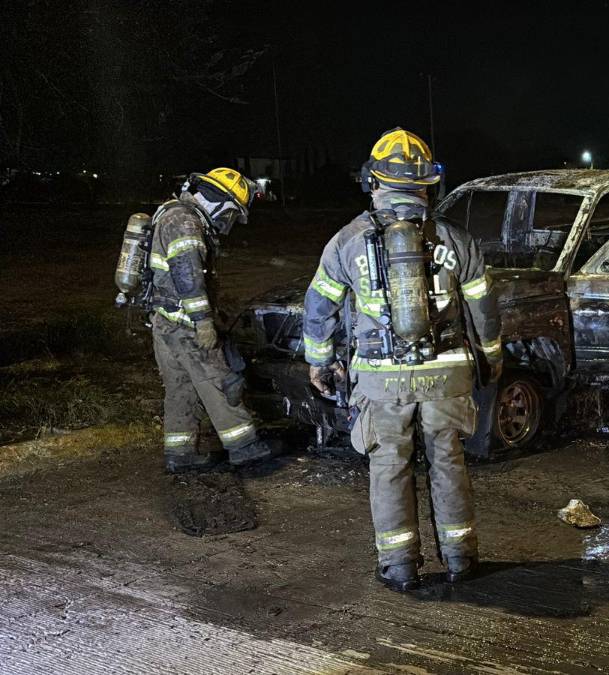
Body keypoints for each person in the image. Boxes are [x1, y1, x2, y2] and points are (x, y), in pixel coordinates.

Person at [303, 128, 502, 592]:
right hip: (446, 374)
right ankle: (461, 560)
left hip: (380, 378)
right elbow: (485, 308)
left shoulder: (347, 241)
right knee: (448, 461)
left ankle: (400, 568)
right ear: (428, 184)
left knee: (390, 465)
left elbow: (319, 307)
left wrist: (319, 362)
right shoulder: (457, 240)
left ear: (373, 181)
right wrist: (490, 358)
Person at [148, 168, 275, 473]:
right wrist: (204, 321)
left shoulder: (172, 214)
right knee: (219, 381)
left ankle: (180, 453)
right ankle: (244, 447)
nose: (229, 222)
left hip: (164, 320)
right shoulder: (185, 222)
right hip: (186, 324)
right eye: (231, 213)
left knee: (180, 387)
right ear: (220, 203)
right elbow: (188, 276)